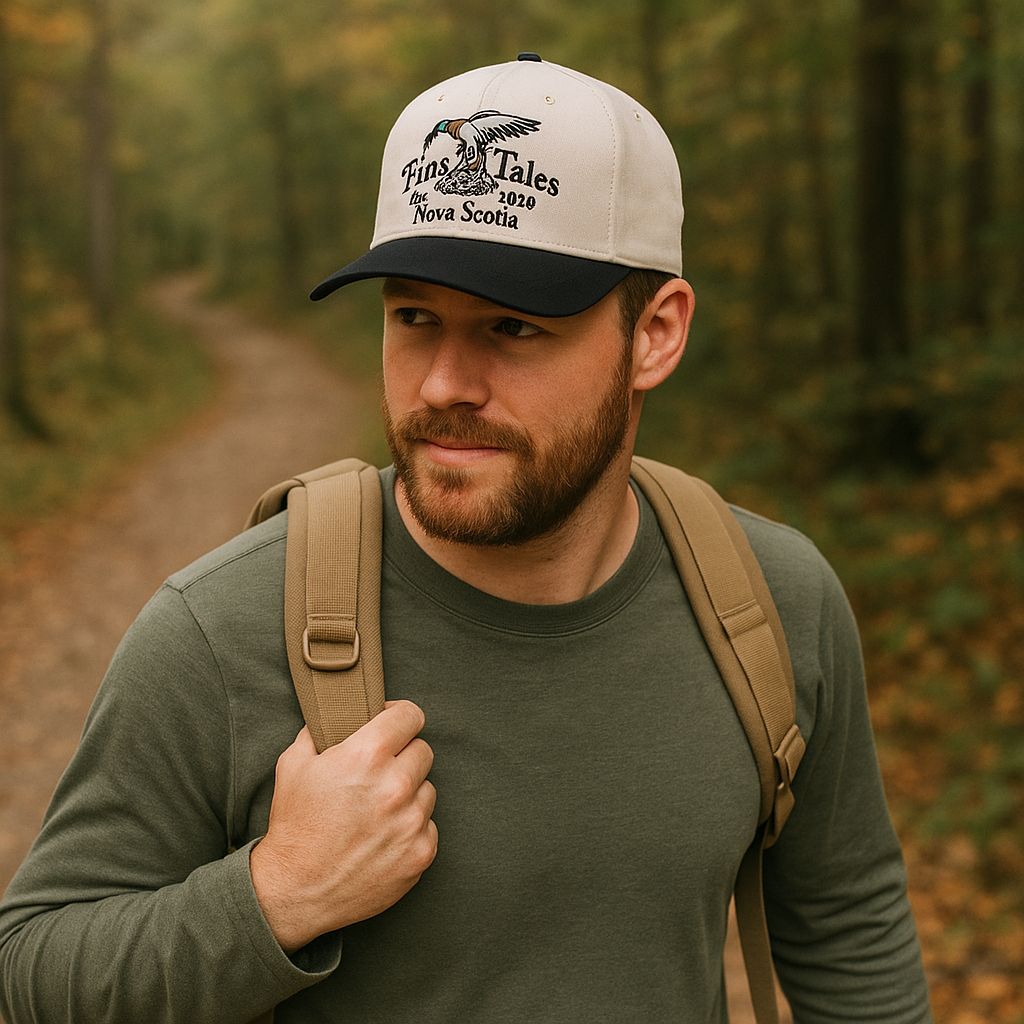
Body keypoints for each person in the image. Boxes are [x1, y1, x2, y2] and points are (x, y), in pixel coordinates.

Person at [0, 55, 932, 1024]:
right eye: (412, 316)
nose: (443, 381)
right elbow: (30, 971)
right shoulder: (222, 629)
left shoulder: (771, 605)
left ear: (654, 332)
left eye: (513, 327)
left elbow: (846, 923)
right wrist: (276, 895)